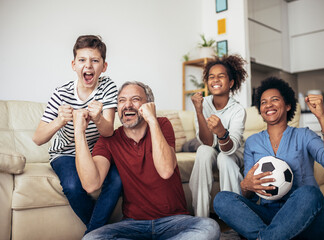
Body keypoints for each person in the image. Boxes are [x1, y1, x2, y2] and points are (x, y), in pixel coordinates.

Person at [74, 81, 220, 240]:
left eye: (135, 99)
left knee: (209, 227)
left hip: (173, 221)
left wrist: (152, 120)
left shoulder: (162, 124)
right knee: (91, 238)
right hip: (133, 225)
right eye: (122, 100)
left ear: (149, 105)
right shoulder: (109, 140)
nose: (127, 105)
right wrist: (79, 132)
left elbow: (166, 170)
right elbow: (90, 184)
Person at [214, 77, 324, 240]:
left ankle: (263, 237)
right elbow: (249, 195)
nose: (268, 105)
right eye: (263, 102)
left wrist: (322, 118)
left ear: (288, 105)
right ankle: (270, 237)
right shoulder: (253, 142)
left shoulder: (304, 135)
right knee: (222, 199)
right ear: (260, 110)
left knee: (310, 193)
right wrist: (246, 185)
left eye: (274, 100)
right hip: (270, 216)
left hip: (305, 217)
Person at [32, 35, 122, 234]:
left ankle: (94, 235)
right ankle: (103, 233)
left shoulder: (108, 87)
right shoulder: (60, 93)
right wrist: (60, 121)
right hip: (65, 153)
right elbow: (38, 138)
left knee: (117, 180)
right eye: (82, 60)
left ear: (104, 66)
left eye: (95, 60)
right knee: (73, 186)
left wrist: (98, 118)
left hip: (98, 152)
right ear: (74, 65)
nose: (88, 66)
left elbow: (107, 131)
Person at [189, 55, 247, 217]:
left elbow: (229, 149)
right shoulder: (202, 104)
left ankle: (235, 219)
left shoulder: (238, 110)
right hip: (212, 148)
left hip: (233, 152)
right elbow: (207, 143)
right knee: (202, 151)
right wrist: (199, 111)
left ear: (231, 83)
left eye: (221, 76)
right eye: (211, 77)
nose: (215, 79)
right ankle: (201, 218)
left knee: (224, 158)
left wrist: (222, 132)